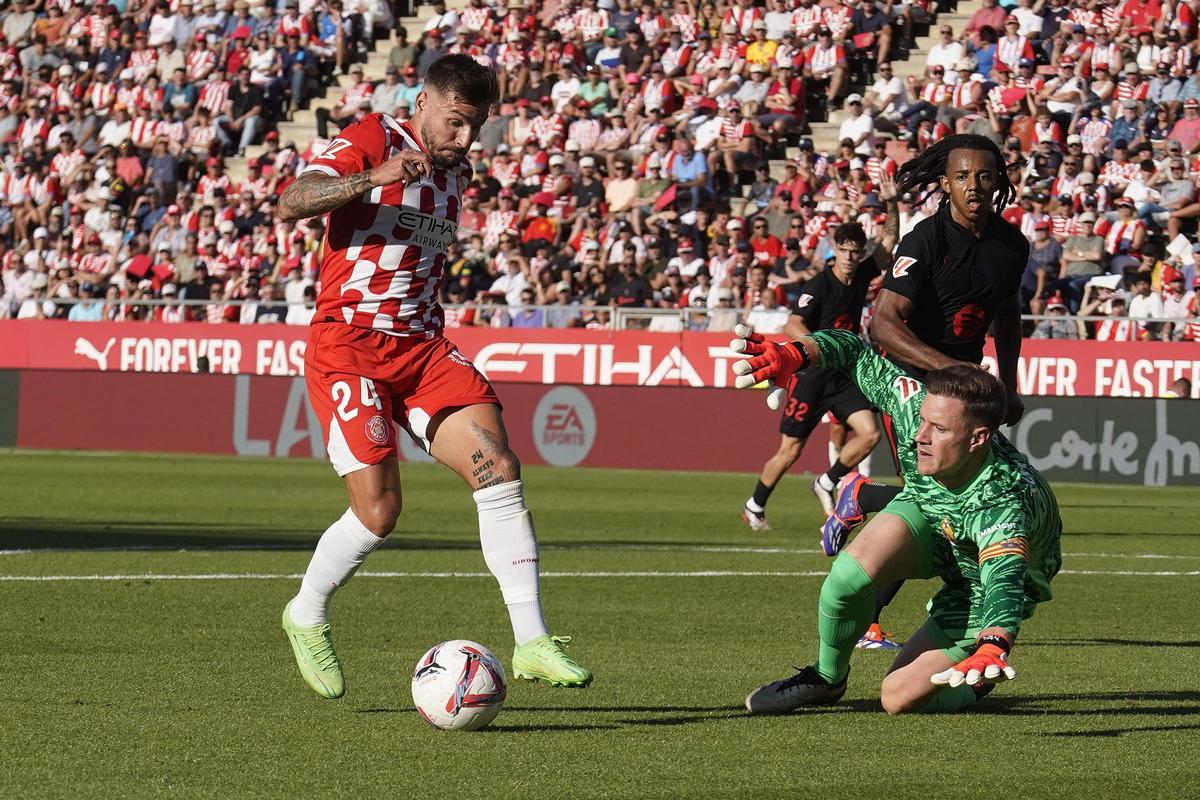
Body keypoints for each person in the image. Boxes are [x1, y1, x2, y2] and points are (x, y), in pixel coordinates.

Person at [276, 55, 592, 701]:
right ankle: (306, 612)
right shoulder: (374, 137)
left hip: (422, 348)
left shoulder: (454, 171)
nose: (464, 140)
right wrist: (373, 177)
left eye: (475, 127)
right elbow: (292, 201)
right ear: (422, 102)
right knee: (380, 511)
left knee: (497, 468)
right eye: (454, 123)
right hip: (349, 345)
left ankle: (531, 641)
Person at [732, 326, 1061, 715]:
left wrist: (993, 644)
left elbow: (1003, 580)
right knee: (846, 578)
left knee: (897, 698)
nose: (919, 436)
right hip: (929, 509)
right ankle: (826, 678)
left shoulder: (1002, 500)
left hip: (979, 584)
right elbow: (855, 350)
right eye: (923, 420)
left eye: (938, 429)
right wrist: (797, 354)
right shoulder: (915, 410)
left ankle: (978, 685)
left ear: (978, 439)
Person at [826, 134, 1030, 650]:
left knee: (969, 499)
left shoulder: (1012, 246)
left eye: (984, 176)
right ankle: (871, 609)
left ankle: (864, 495)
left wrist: (1007, 381)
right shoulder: (925, 239)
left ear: (1000, 181)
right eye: (962, 176)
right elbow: (885, 327)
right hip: (909, 380)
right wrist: (952, 373)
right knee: (938, 503)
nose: (974, 186)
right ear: (945, 183)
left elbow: (1007, 315)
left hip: (964, 387)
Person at [741, 222, 883, 531]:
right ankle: (755, 504)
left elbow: (888, 244)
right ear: (835, 249)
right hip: (813, 376)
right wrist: (822, 348)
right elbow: (792, 325)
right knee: (791, 450)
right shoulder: (819, 285)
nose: (848, 257)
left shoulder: (861, 278)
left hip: (844, 375)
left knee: (871, 434)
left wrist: (892, 204)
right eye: (843, 250)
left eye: (854, 252)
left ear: (860, 254)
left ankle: (827, 481)